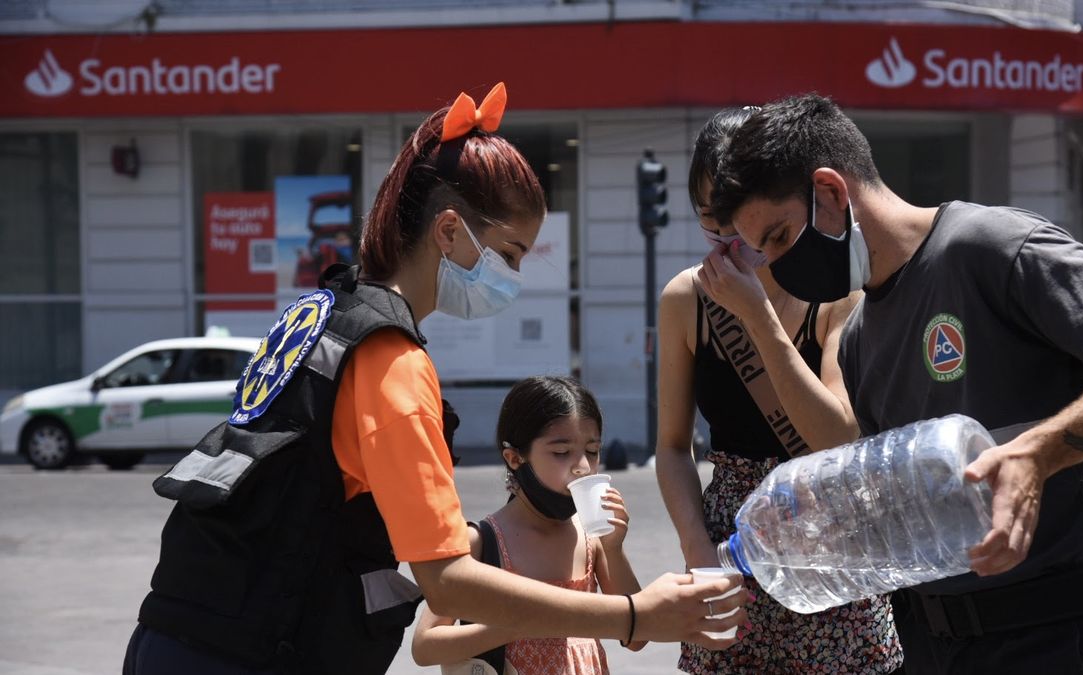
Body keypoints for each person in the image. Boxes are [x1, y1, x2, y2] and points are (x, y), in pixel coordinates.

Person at [123, 83, 746, 675]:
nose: (513, 277)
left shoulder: (319, 314)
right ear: (449, 231)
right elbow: (447, 578)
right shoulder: (392, 361)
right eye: (509, 255)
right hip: (253, 653)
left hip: (181, 634)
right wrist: (637, 616)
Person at [706, 93, 1083, 674]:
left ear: (831, 192)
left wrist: (1038, 456)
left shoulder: (987, 246)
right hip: (933, 646)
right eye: (767, 253)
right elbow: (891, 490)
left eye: (783, 236)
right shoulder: (862, 330)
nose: (782, 265)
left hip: (1063, 639)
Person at [656, 107, 902, 674]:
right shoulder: (685, 299)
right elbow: (672, 447)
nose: (726, 241)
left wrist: (758, 319)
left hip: (831, 545)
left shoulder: (833, 292)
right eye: (710, 223)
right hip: (732, 551)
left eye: (739, 224)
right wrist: (700, 557)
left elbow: (839, 438)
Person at [412, 376, 647, 674]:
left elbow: (639, 636)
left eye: (592, 450)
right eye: (561, 452)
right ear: (514, 458)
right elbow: (425, 646)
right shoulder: (482, 542)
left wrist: (614, 549)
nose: (583, 466)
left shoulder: (592, 539)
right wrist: (516, 624)